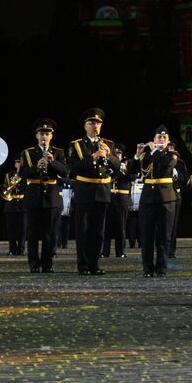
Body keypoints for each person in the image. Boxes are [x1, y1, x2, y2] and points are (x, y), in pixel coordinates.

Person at [67, 108, 119, 275]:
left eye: (98, 123)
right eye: (91, 123)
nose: (95, 126)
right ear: (85, 126)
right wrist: (93, 157)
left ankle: (94, 264)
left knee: (98, 231)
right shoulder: (76, 145)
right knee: (83, 230)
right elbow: (73, 168)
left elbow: (117, 166)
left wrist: (109, 155)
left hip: (102, 191)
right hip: (84, 190)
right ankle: (83, 265)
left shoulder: (108, 144)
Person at [19, 119, 66, 273]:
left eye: (47, 134)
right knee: (32, 233)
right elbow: (22, 174)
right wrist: (35, 167)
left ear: (51, 136)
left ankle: (47, 264)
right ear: (36, 135)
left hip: (51, 195)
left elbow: (65, 172)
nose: (44, 136)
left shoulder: (58, 152)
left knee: (49, 233)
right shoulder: (27, 153)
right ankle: (33, 264)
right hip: (33, 195)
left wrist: (52, 162)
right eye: (41, 133)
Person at [134, 125, 181, 277]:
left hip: (166, 199)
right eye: (158, 137)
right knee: (146, 236)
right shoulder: (145, 155)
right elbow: (130, 171)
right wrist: (137, 155)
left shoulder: (172, 154)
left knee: (164, 235)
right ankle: (147, 268)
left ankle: (161, 268)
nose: (161, 139)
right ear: (153, 139)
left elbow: (165, 164)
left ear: (168, 141)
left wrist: (154, 150)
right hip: (147, 198)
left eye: (164, 138)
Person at [103, 144, 132, 259]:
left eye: (119, 154)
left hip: (122, 199)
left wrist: (125, 170)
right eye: (115, 154)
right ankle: (104, 251)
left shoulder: (128, 164)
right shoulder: (107, 164)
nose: (117, 156)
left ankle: (120, 252)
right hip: (109, 198)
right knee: (106, 228)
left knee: (121, 227)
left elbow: (133, 177)